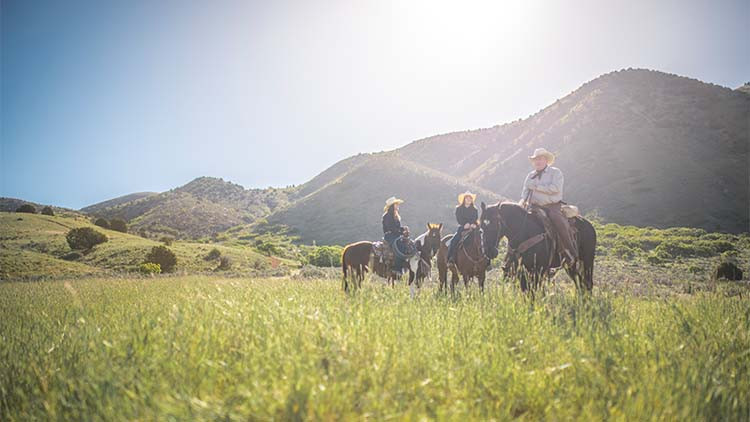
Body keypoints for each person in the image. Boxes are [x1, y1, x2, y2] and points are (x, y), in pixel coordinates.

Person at [521, 148, 578, 265]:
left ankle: (569, 251)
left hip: (552, 206)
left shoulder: (555, 173)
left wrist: (536, 187)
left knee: (558, 221)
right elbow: (524, 194)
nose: (537, 161)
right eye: (535, 159)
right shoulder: (530, 175)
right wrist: (521, 205)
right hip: (534, 207)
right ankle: (515, 257)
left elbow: (555, 189)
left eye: (540, 159)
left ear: (546, 160)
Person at [447, 191, 479, 265]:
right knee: (453, 241)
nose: (469, 200)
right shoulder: (459, 209)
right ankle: (450, 258)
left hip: (473, 228)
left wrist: (473, 224)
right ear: (464, 199)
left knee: (482, 237)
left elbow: (475, 219)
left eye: (470, 198)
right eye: (467, 198)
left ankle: (486, 259)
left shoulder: (475, 210)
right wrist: (464, 224)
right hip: (462, 228)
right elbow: (459, 219)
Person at [382, 196, 406, 272]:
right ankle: (397, 269)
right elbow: (391, 228)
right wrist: (401, 232)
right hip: (389, 236)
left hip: (396, 235)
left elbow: (397, 228)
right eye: (396, 204)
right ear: (392, 206)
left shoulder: (396, 216)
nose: (397, 206)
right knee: (399, 247)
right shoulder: (387, 216)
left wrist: (403, 229)